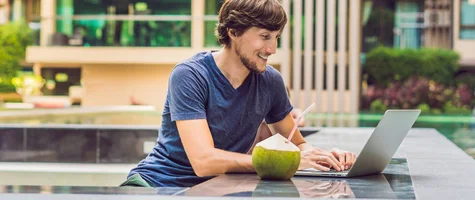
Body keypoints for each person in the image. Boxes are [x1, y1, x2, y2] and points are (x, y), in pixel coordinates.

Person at [123, 0, 356, 188]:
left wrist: (328, 158)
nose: (272, 49)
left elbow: (298, 145)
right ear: (233, 32)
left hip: (215, 188)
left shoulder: (270, 81)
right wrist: (287, 164)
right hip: (158, 185)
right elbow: (204, 162)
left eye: (276, 38)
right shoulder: (190, 75)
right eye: (265, 37)